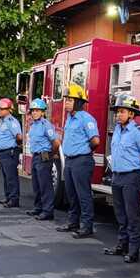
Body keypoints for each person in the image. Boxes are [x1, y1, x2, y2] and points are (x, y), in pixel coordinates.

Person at [103, 94, 140, 263]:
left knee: (132, 216)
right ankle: (121, 245)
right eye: (117, 112)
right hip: (117, 176)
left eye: (122, 112)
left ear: (131, 114)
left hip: (132, 176)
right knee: (120, 214)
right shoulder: (117, 129)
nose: (118, 115)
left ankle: (133, 251)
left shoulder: (139, 132)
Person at [56, 83, 99, 239]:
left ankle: (87, 226)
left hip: (82, 161)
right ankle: (73, 223)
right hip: (70, 161)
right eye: (66, 99)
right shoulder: (70, 118)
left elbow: (95, 141)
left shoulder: (86, 119)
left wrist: (83, 151)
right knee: (71, 194)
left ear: (79, 102)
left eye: (70, 100)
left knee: (83, 195)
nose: (66, 102)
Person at [26, 98, 60, 221]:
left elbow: (56, 142)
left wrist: (52, 154)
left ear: (43, 112)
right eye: (33, 110)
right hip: (35, 156)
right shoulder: (32, 125)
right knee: (36, 184)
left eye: (37, 110)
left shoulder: (46, 125)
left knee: (45, 185)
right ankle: (38, 208)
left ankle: (48, 211)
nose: (34, 113)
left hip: (44, 156)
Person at [0, 98, 23, 208]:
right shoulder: (3, 121)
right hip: (3, 153)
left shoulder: (11, 121)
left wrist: (15, 146)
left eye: (1, 108)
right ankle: (8, 197)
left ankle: (14, 199)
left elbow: (19, 137)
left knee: (11, 177)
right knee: (6, 177)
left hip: (10, 152)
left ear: (9, 110)